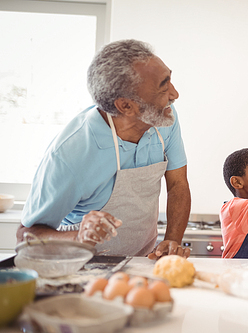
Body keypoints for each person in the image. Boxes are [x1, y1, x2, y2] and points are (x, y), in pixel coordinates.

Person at [17, 39, 191, 259]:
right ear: (126, 106)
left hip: (139, 262)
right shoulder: (70, 154)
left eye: (169, 79)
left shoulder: (164, 119)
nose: (174, 94)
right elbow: (25, 235)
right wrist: (79, 237)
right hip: (81, 268)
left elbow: (178, 185)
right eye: (163, 86)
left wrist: (172, 240)